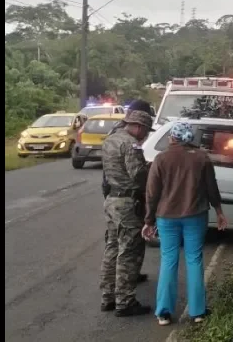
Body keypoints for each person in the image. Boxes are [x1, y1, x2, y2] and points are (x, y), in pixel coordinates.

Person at [143, 121, 228, 326]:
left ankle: (163, 312)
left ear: (173, 137)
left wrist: (148, 220)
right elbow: (211, 188)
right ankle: (198, 312)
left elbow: (152, 193)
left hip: (166, 218)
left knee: (169, 261)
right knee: (194, 259)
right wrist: (219, 212)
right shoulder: (201, 158)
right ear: (190, 138)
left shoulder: (161, 158)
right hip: (195, 215)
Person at [99, 109, 154, 316]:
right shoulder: (131, 144)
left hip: (111, 199)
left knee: (112, 247)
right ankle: (125, 301)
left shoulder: (110, 140)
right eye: (146, 130)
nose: (147, 135)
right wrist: (151, 173)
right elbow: (138, 175)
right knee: (129, 250)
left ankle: (108, 296)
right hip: (127, 203)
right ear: (138, 127)